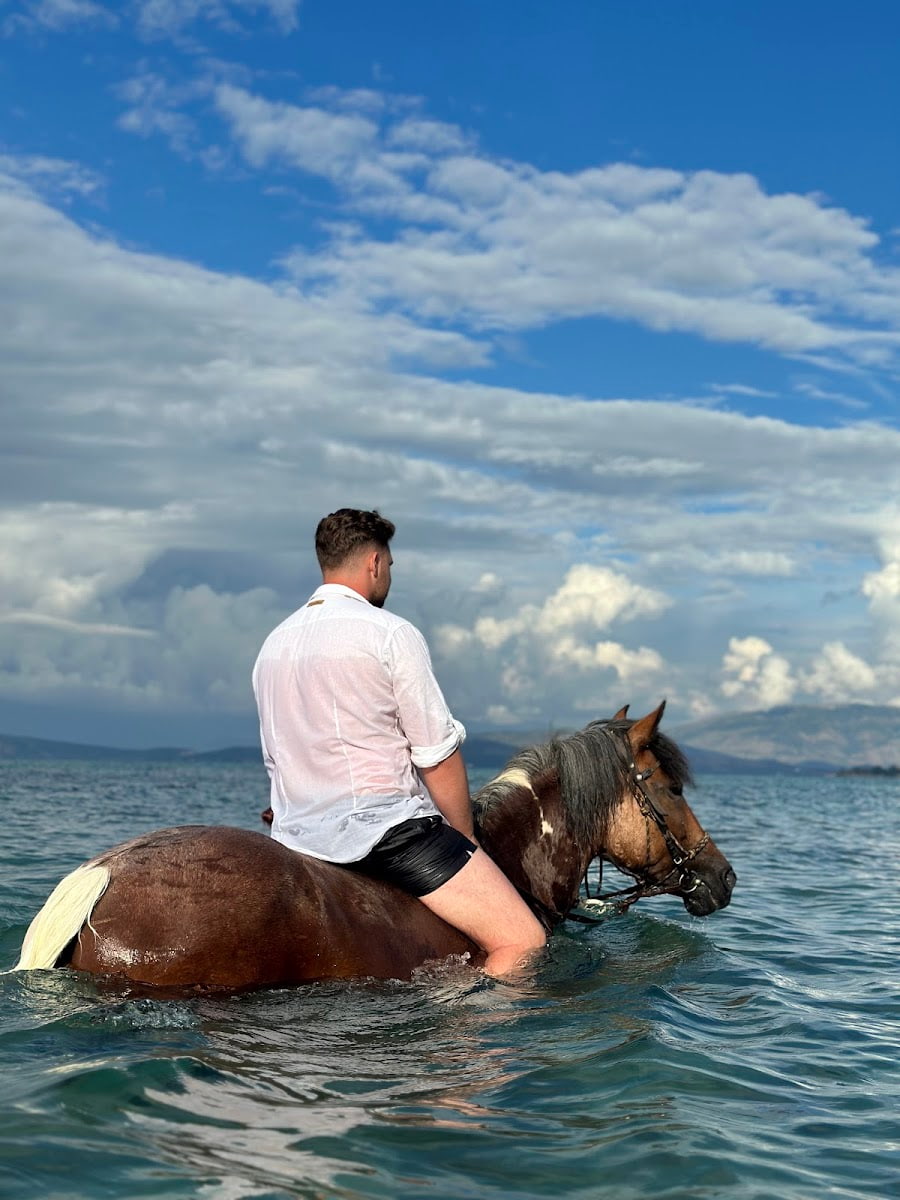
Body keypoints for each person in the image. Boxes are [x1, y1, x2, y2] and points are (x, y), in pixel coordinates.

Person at [252, 508, 546, 977]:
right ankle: (466, 1047)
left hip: (296, 837)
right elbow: (436, 754)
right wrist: (465, 839)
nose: (389, 574)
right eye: (389, 564)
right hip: (387, 834)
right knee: (523, 941)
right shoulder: (390, 633)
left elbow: (276, 759)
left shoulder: (273, 645)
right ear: (373, 562)